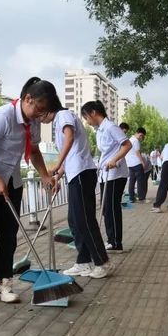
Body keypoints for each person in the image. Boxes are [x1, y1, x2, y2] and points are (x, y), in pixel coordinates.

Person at [0, 77, 62, 307]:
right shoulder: (3, 117)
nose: (41, 115)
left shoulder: (34, 121)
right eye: (40, 109)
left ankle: (4, 284)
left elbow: (33, 149)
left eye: (45, 112)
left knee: (10, 234)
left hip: (12, 177)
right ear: (28, 99)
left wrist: (44, 175)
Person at [46, 109, 113, 279]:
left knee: (84, 220)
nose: (39, 118)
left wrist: (55, 164)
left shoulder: (63, 115)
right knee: (74, 220)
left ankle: (102, 262)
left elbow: (69, 138)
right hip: (76, 174)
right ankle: (84, 260)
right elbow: (69, 154)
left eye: (40, 113)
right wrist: (57, 175)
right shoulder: (60, 121)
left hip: (82, 173)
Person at [82, 101, 132, 253]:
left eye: (86, 117)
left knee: (111, 207)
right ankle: (111, 240)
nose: (86, 121)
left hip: (116, 174)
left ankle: (116, 243)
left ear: (93, 113)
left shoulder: (111, 127)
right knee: (106, 209)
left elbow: (127, 145)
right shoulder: (100, 130)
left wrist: (114, 160)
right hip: (106, 174)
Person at [125, 127, 148, 202]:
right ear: (140, 134)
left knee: (132, 181)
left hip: (130, 164)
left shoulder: (129, 140)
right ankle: (141, 198)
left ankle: (132, 198)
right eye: (143, 137)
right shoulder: (136, 141)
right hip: (137, 163)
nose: (142, 139)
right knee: (140, 181)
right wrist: (142, 162)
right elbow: (137, 153)